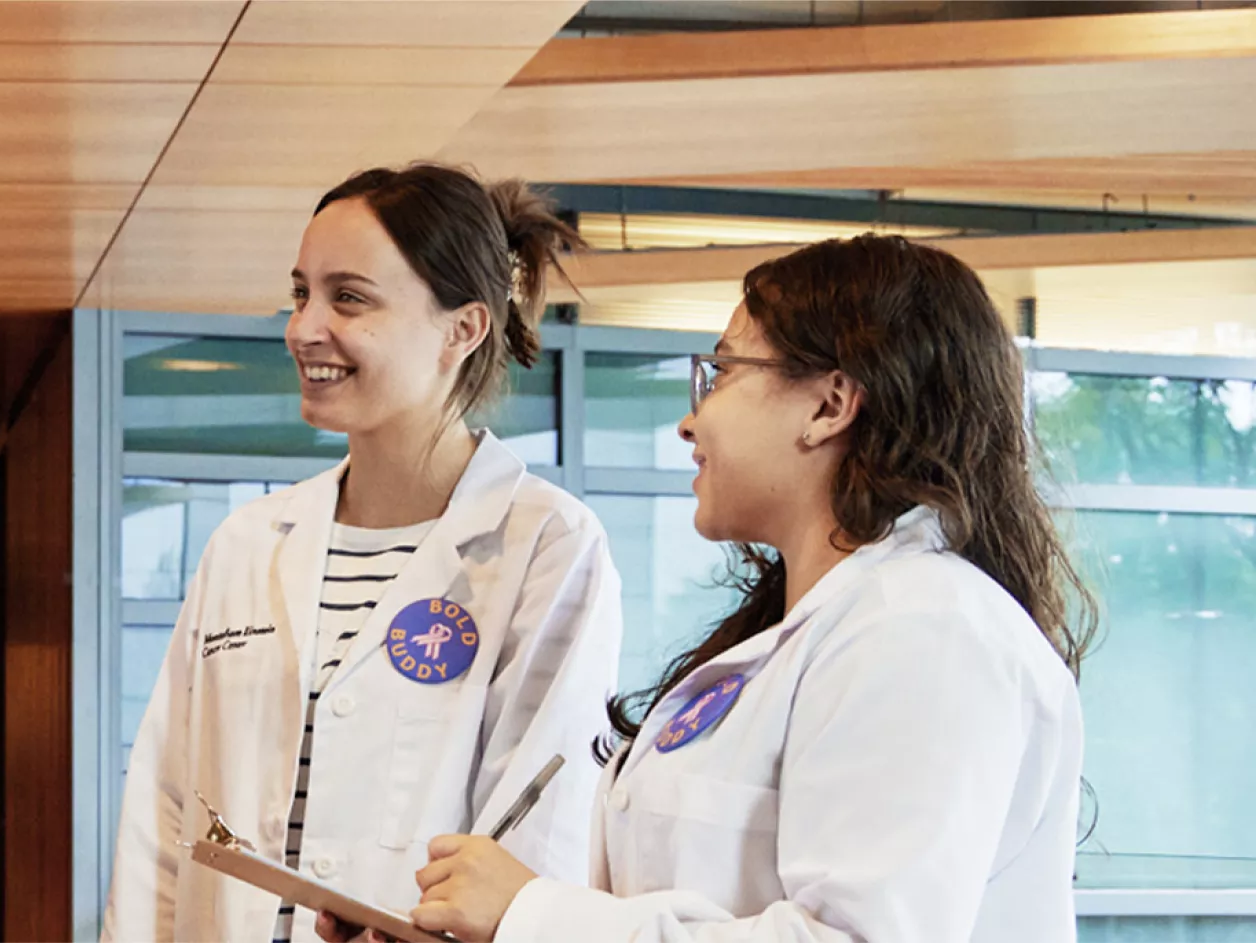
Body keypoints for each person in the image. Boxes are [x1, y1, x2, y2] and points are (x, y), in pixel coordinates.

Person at [402, 234, 1095, 942]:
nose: (688, 420)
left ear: (830, 405)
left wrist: (533, 915)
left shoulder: (927, 627)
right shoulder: (821, 631)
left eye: (721, 373)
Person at [105, 163, 625, 942]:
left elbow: (535, 840)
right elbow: (165, 807)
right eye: (301, 293)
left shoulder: (543, 546)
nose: (304, 328)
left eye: (348, 297)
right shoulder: (248, 544)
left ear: (463, 328)